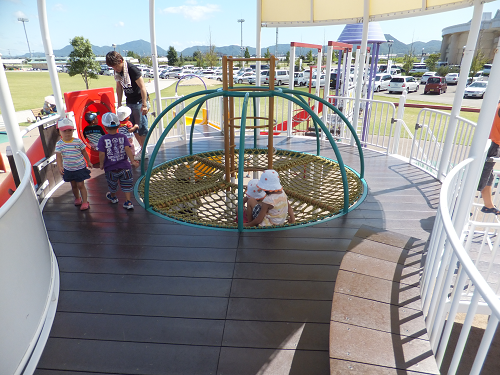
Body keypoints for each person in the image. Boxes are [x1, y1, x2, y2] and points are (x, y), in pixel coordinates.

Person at [105, 51, 149, 160]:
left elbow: (143, 87)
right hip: (130, 102)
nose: (115, 69)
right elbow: (119, 87)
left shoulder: (132, 69)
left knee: (141, 126)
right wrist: (119, 103)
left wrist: (144, 104)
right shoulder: (118, 73)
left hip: (139, 101)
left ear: (120, 61)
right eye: (112, 67)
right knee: (132, 126)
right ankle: (144, 148)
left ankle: (144, 150)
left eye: (116, 66)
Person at [97, 112, 136, 210]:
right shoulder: (123, 137)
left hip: (111, 168)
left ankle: (113, 196)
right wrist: (133, 161)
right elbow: (128, 149)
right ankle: (128, 202)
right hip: (125, 167)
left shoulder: (103, 139)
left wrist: (101, 164)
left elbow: (102, 153)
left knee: (112, 184)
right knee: (127, 184)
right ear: (118, 125)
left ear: (105, 127)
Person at [54, 117, 92, 211]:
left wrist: (89, 161)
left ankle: (85, 202)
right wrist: (59, 166)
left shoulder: (77, 141)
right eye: (64, 131)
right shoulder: (59, 144)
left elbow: (84, 151)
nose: (67, 133)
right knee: (73, 185)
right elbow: (58, 156)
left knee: (80, 185)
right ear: (59, 132)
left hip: (79, 167)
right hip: (69, 169)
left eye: (70, 130)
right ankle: (77, 198)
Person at [477, 103, 500, 214]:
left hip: (488, 142)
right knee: (482, 175)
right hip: (493, 144)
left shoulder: (496, 105)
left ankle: (488, 205)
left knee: (488, 175)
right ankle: (460, 204)